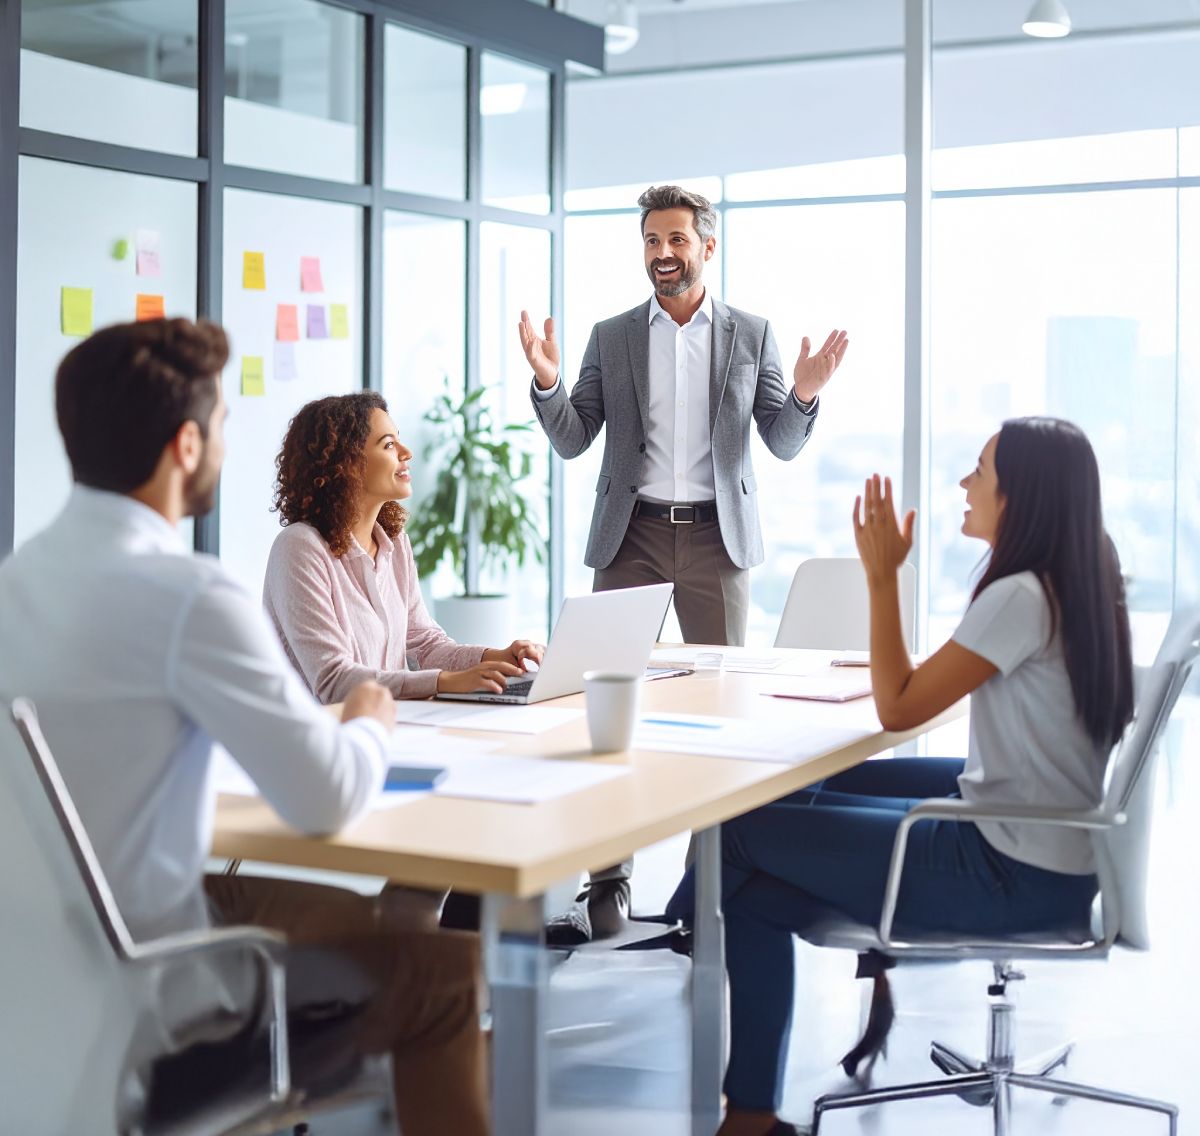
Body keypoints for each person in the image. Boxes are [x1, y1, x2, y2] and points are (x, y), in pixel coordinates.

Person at [0, 319, 490, 1136]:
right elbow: (328, 799)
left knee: (374, 920)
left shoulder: (17, 583)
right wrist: (370, 717)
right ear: (186, 445)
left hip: (36, 965)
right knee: (448, 975)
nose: (230, 444)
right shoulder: (189, 595)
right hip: (152, 980)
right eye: (224, 424)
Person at [667, 417, 1134, 1136]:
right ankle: (749, 1102)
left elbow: (898, 706)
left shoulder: (1020, 598)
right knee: (783, 807)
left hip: (1005, 868)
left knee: (734, 829)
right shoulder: (1078, 579)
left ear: (1023, 497)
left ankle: (689, 933)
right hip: (1050, 848)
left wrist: (881, 578)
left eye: (980, 471)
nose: (964, 484)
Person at [518, 183, 849, 943]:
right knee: (604, 709)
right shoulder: (613, 335)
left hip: (715, 541)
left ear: (706, 245)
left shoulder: (751, 334)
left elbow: (782, 442)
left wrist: (802, 394)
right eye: (650, 242)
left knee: (721, 715)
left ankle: (712, 885)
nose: (661, 255)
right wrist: (546, 381)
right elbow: (574, 439)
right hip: (629, 536)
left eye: (675, 240)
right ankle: (607, 883)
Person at [264, 391, 543, 704]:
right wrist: (445, 682)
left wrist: (498, 656)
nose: (406, 452)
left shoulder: (395, 543)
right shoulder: (299, 548)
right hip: (326, 740)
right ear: (346, 465)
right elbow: (333, 681)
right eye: (388, 444)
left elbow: (424, 643)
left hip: (395, 728)